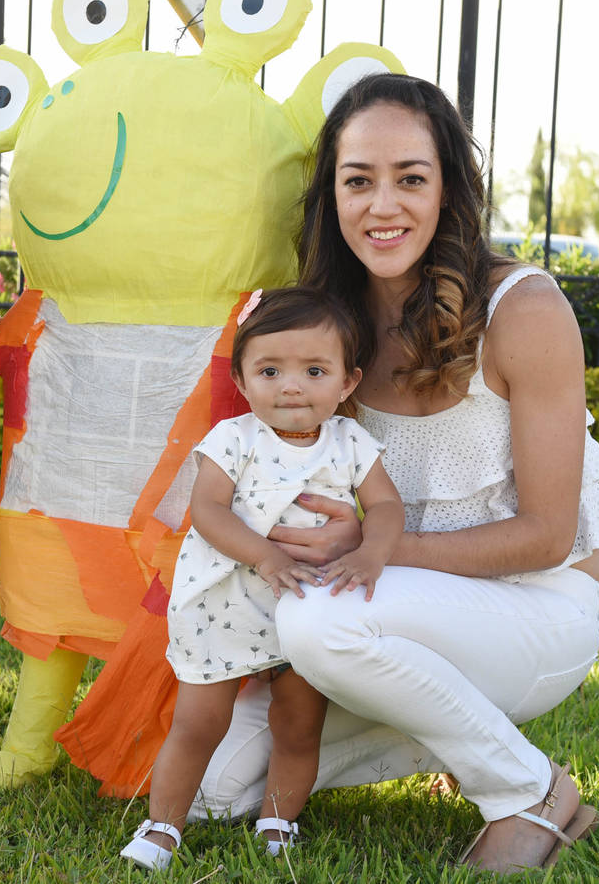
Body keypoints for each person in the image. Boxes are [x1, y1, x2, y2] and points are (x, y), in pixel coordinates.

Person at [191, 73, 599, 873]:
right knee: (213, 790)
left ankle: (529, 789)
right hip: (392, 614)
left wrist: (372, 546)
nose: (382, 205)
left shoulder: (524, 310)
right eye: (359, 181)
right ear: (332, 196)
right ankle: (453, 734)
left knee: (320, 622)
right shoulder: (325, 326)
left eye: (410, 179)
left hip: (537, 610)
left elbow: (547, 535)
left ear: (448, 188)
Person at [120, 288, 405, 870]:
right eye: (270, 371)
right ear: (243, 381)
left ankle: (278, 821)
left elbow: (386, 506)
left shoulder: (351, 442)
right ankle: (162, 828)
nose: (291, 386)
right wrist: (265, 557)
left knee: (299, 726)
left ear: (347, 382)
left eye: (314, 371)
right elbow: (208, 511)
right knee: (199, 724)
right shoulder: (234, 439)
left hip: (305, 606)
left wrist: (373, 552)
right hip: (225, 603)